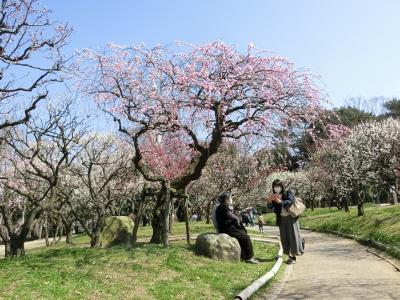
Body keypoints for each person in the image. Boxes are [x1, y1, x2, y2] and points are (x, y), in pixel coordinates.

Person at [267, 179, 304, 264]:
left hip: (290, 218)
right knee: (285, 238)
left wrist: (281, 201)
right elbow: (270, 207)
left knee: (293, 236)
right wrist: (269, 201)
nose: (277, 188)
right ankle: (290, 254)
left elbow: (291, 201)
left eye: (278, 186)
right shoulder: (274, 196)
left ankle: (293, 257)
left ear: (281, 186)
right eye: (275, 186)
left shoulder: (287, 193)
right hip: (281, 219)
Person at [216, 192, 259, 264]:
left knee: (243, 235)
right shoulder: (223, 207)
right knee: (246, 237)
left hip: (228, 228)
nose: (231, 199)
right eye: (230, 198)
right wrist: (237, 217)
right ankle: (249, 257)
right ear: (227, 199)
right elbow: (233, 217)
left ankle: (244, 255)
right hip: (228, 229)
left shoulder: (222, 207)